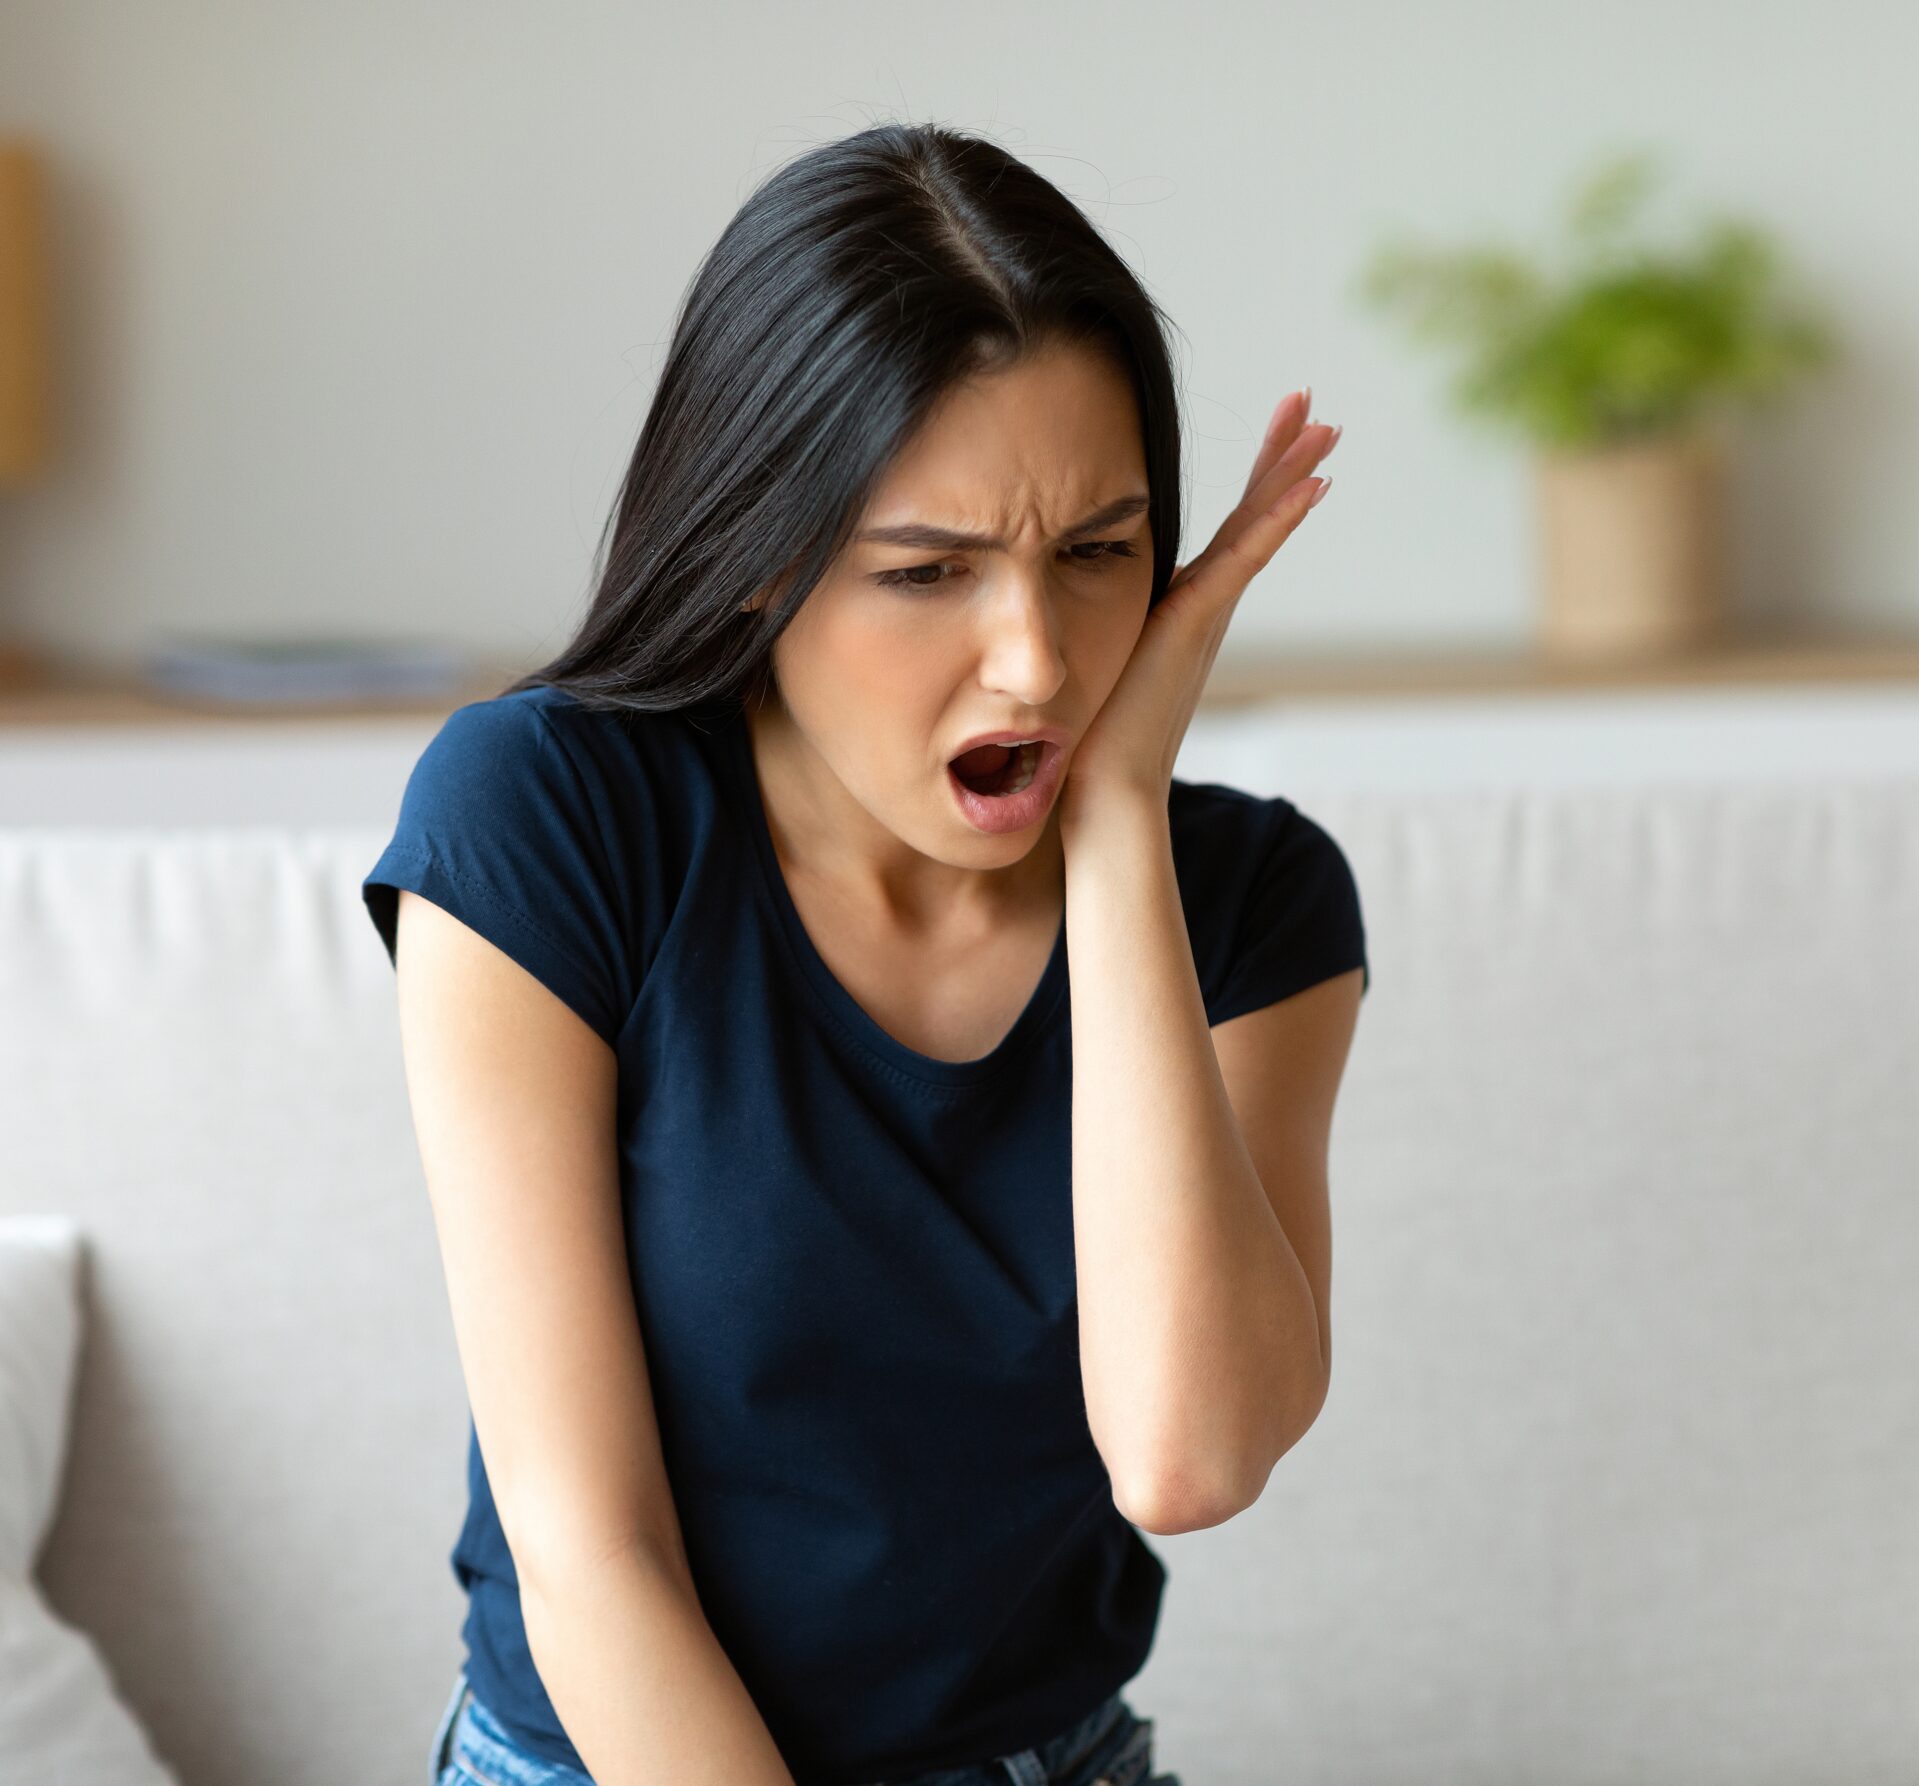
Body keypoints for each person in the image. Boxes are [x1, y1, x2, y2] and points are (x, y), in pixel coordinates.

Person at [361, 121, 1367, 1786]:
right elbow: (584, 1545)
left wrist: (1118, 826)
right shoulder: (545, 818)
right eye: (927, 572)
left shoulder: (1255, 902)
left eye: (1101, 552)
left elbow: (1187, 1454)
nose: (1036, 661)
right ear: (761, 558)